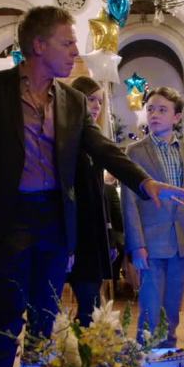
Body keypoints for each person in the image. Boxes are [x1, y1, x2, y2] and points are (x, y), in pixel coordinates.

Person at [0, 6, 184, 367]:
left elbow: (103, 149)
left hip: (55, 219)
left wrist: (144, 182)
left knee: (46, 316)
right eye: (68, 42)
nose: (76, 51)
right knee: (6, 318)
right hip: (9, 219)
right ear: (38, 45)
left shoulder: (73, 100)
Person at [122, 87, 184, 346]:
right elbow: (129, 202)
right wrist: (137, 245)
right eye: (150, 109)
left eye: (162, 110)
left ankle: (168, 356)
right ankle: (146, 359)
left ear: (177, 117)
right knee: (150, 311)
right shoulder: (135, 152)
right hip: (151, 243)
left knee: (172, 309)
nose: (154, 114)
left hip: (181, 242)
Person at [67, 75, 115, 326]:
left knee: (91, 306)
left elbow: (98, 194)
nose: (97, 106)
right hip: (72, 232)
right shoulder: (67, 140)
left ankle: (86, 345)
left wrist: (108, 237)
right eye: (91, 99)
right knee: (83, 304)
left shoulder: (95, 142)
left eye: (100, 101)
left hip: (92, 233)